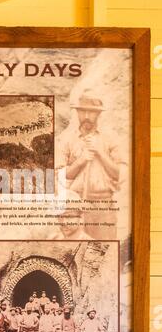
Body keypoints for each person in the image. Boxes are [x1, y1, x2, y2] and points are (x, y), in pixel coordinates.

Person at [59, 93, 126, 239]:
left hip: (103, 207)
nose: (87, 116)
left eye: (92, 112)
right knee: (74, 253)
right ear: (77, 112)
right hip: (75, 208)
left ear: (99, 113)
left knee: (103, 252)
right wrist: (81, 161)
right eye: (83, 111)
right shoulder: (67, 139)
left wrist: (100, 153)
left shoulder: (110, 139)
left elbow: (120, 174)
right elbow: (59, 177)